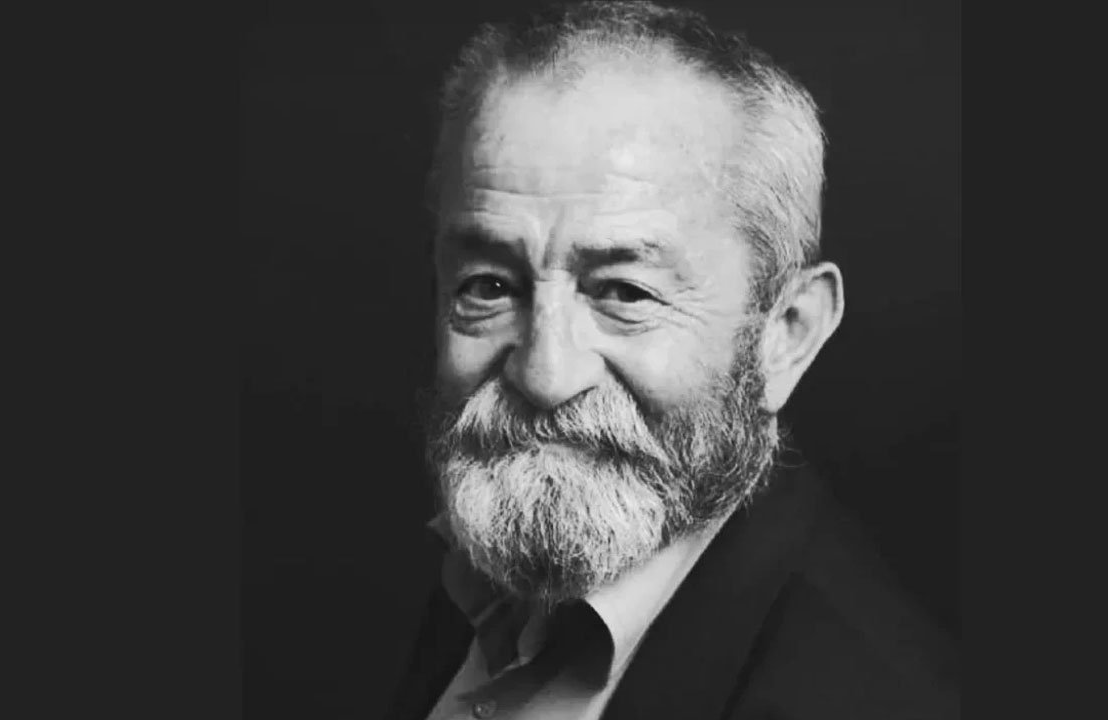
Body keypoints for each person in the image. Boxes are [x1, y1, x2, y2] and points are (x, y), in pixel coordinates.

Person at [387, 2, 959, 718]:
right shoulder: (492, 567)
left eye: (626, 293)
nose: (543, 375)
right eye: (490, 287)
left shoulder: (862, 697)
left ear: (787, 332)